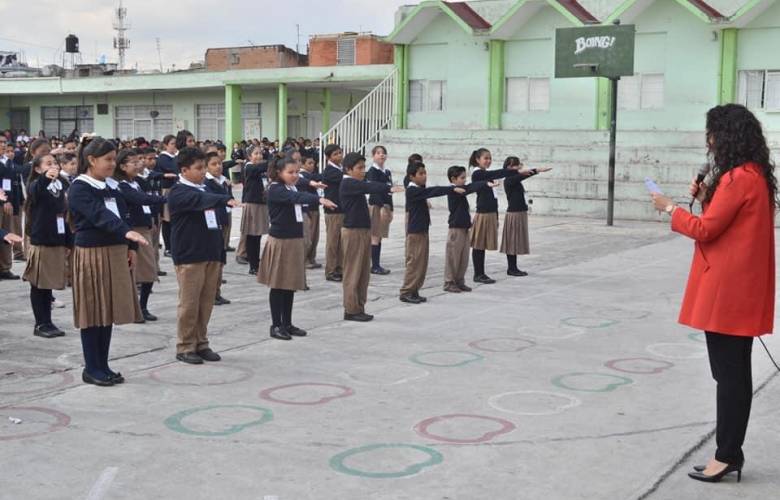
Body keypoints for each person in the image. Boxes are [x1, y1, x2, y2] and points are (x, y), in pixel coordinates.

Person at [650, 104, 776, 484]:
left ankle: (727, 454)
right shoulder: (752, 175)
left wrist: (670, 207)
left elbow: (706, 231)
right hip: (738, 286)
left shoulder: (739, 177)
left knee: (731, 377)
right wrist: (706, 195)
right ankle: (727, 451)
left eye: (713, 134)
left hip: (729, 289)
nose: (709, 142)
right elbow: (721, 220)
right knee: (731, 373)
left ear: (727, 136)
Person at [68, 137, 148, 386]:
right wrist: (125, 233)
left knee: (108, 310)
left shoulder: (111, 187)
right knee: (94, 311)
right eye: (108, 159)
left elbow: (124, 215)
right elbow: (98, 215)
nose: (113, 164)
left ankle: (103, 365)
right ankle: (92, 367)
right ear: (91, 160)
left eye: (114, 159)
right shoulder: (80, 188)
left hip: (115, 251)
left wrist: (131, 245)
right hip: (93, 253)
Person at [168, 147, 239, 364]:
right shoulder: (180, 191)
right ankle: (185, 346)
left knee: (206, 302)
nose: (201, 172)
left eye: (203, 168)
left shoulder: (204, 188)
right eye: (198, 168)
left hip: (210, 252)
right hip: (190, 255)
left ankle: (201, 342)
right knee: (189, 304)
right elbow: (203, 200)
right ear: (184, 170)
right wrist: (223, 199)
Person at [258, 157, 335, 340]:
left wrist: (311, 185)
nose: (294, 176)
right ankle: (276, 325)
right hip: (281, 241)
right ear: (279, 173)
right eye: (290, 172)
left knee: (290, 284)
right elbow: (297, 197)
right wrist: (319, 200)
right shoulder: (275, 189)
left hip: (294, 240)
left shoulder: (291, 186)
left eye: (296, 172)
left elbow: (300, 189)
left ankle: (287, 323)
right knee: (278, 285)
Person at [340, 152, 403, 321]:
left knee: (362, 273)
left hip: (362, 230)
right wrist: (388, 188)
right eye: (359, 168)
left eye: (363, 167)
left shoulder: (355, 183)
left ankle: (359, 306)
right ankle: (351, 309)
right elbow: (369, 186)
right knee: (353, 272)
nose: (363, 171)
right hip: (353, 232)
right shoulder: (348, 183)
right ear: (348, 169)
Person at [400, 162, 464, 304]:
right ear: (411, 176)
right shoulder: (412, 190)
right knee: (414, 263)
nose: (424, 176)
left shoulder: (419, 188)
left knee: (422, 263)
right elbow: (433, 191)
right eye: (420, 174)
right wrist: (451, 189)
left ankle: (415, 289)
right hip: (415, 232)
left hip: (423, 230)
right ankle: (406, 291)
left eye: (425, 173)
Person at [115, 149, 167, 322]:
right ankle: (136, 309)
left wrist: (151, 220)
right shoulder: (121, 185)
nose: (139, 165)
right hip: (134, 230)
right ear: (122, 166)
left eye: (139, 161)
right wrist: (166, 199)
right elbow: (141, 199)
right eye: (134, 162)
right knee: (139, 271)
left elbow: (147, 196)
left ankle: (142, 306)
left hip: (145, 228)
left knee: (149, 270)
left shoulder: (137, 181)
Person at [22, 154, 70, 338]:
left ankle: (48, 321)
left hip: (56, 238)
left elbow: (64, 214)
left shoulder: (59, 186)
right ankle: (40, 323)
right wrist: (45, 177)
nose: (54, 166)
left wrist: (66, 241)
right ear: (37, 169)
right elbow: (37, 190)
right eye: (48, 164)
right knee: (38, 284)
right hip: (42, 239)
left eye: (55, 163)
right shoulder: (37, 185)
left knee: (48, 285)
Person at [469, 148, 521, 284]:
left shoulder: (485, 174)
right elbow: (497, 173)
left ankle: (481, 273)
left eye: (490, 158)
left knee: (482, 244)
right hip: (483, 213)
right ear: (477, 160)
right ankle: (478, 274)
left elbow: (494, 196)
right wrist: (513, 170)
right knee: (479, 244)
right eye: (485, 158)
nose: (488, 161)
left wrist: (496, 216)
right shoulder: (478, 174)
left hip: (491, 212)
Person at [443, 166, 493, 293]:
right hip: (456, 228)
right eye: (462, 178)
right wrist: (485, 183)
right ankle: (449, 282)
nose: (465, 180)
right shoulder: (452, 190)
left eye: (465, 177)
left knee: (463, 257)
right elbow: (469, 188)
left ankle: (459, 281)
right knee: (453, 257)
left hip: (465, 227)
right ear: (453, 179)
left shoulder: (461, 189)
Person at [499, 156, 551, 276]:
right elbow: (521, 176)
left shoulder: (514, 179)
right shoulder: (509, 180)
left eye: (517, 165)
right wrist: (537, 170)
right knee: (512, 242)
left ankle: (513, 267)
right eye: (513, 165)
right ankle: (511, 268)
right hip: (514, 213)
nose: (516, 167)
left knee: (515, 241)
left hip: (520, 212)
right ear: (508, 167)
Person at [204, 151, 233, 306]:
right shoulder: (206, 183)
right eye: (213, 164)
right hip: (212, 224)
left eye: (220, 163)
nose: (218, 167)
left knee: (221, 259)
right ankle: (211, 293)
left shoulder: (222, 181)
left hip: (223, 219)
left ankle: (217, 291)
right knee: (213, 260)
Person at [239, 145, 270, 275]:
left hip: (260, 204)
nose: (259, 156)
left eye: (260, 153)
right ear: (249, 156)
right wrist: (274, 161)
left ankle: (255, 262)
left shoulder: (256, 168)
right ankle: (253, 266)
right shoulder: (249, 167)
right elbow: (260, 167)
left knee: (257, 236)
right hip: (252, 204)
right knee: (252, 235)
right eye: (256, 154)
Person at [365, 145, 394, 275]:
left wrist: (391, 209)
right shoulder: (372, 171)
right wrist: (382, 207)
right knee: (375, 236)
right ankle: (374, 266)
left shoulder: (387, 172)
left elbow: (389, 191)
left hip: (385, 206)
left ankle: (377, 264)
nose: (381, 155)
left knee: (380, 235)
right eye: (378, 153)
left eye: (383, 153)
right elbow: (374, 191)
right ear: (373, 156)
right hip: (377, 206)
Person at [322, 144, 345, 281]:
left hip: (342, 209)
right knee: (332, 241)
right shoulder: (331, 171)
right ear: (328, 157)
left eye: (340, 153)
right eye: (336, 154)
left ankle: (339, 268)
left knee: (341, 242)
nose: (339, 156)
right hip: (333, 210)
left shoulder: (340, 169)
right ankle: (330, 270)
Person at [154, 135, 179, 257]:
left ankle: (173, 246)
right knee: (167, 219)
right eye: (172, 144)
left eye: (175, 144)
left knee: (173, 219)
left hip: (175, 188)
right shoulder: (164, 157)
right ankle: (168, 247)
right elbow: (174, 168)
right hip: (167, 189)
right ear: (166, 145)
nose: (175, 146)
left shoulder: (174, 156)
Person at [299, 156, 322, 269]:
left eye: (313, 163)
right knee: (310, 236)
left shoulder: (309, 176)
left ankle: (311, 257)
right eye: (309, 163)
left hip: (315, 207)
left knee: (315, 236)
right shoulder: (303, 175)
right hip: (309, 209)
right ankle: (306, 258)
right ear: (302, 165)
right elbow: (315, 178)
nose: (312, 165)